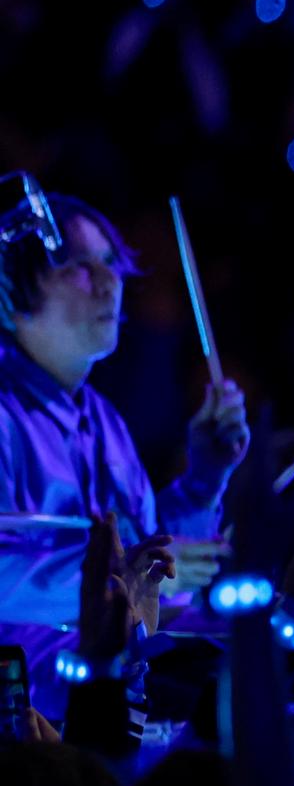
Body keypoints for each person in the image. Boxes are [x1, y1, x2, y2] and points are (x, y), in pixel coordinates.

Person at [0, 187, 247, 718]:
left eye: (112, 264)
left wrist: (202, 481)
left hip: (116, 696)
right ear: (12, 286)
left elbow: (158, 572)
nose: (111, 282)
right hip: (31, 720)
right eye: (79, 267)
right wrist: (129, 578)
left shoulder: (107, 423)